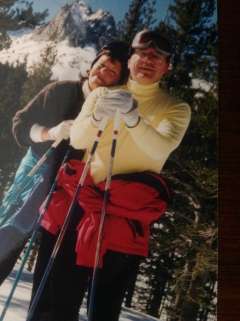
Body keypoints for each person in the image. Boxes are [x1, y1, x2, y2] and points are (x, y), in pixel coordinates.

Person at [28, 29, 191, 321]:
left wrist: (133, 118)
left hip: (125, 215)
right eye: (142, 53)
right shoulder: (104, 92)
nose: (148, 60)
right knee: (55, 302)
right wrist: (95, 117)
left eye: (158, 56)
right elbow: (78, 139)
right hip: (80, 203)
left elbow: (159, 148)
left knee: (103, 308)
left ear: (168, 66)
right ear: (131, 58)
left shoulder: (175, 108)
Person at [0, 40, 129, 286]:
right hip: (39, 169)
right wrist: (49, 132)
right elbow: (21, 123)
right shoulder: (61, 90)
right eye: (101, 66)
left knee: (53, 251)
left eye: (112, 72)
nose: (102, 74)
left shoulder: (111, 110)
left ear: (119, 80)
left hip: (73, 185)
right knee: (13, 229)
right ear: (92, 65)